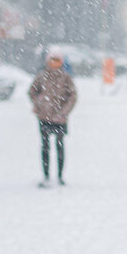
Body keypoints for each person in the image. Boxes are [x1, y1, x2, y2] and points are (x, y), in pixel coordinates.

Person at [29, 46, 78, 187]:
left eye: (57, 61)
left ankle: (60, 176)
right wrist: (39, 104)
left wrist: (64, 111)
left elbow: (73, 96)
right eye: (52, 60)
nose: (54, 64)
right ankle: (46, 176)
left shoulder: (66, 78)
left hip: (60, 119)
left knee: (60, 146)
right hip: (44, 117)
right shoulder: (42, 76)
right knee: (45, 147)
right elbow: (32, 92)